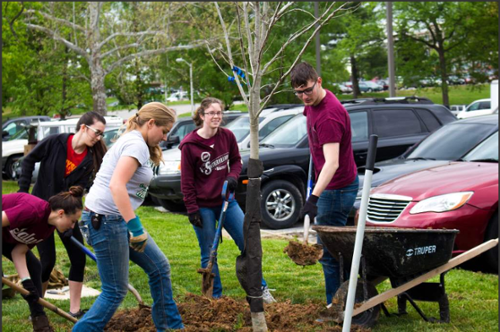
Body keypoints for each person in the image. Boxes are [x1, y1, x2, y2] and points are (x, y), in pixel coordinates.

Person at [72, 102, 184, 331]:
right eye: (163, 131)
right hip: (106, 220)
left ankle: (171, 327)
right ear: (151, 123)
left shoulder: (136, 140)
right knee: (114, 291)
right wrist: (136, 228)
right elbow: (117, 185)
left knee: (159, 268)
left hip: (114, 219)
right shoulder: (135, 144)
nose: (164, 138)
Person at [179, 97, 276, 303]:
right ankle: (215, 298)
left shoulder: (227, 136)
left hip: (226, 202)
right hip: (203, 206)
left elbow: (236, 160)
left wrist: (232, 176)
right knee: (209, 252)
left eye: (219, 113)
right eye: (212, 113)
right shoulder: (189, 145)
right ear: (202, 116)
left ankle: (260, 288)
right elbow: (186, 181)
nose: (216, 116)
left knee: (248, 243)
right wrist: (192, 209)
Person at [18, 112, 108, 318]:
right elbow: (28, 160)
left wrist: (70, 222)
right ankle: (37, 308)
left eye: (101, 134)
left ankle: (75, 309)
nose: (99, 138)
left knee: (78, 258)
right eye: (97, 132)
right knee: (47, 261)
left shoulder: (88, 159)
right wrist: (23, 192)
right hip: (41, 212)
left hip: (67, 214)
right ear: (83, 127)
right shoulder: (55, 142)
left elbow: (80, 189)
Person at [290, 62, 359, 306]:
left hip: (337, 188)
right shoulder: (312, 104)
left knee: (329, 253)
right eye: (298, 92)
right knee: (334, 249)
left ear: (318, 81)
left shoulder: (329, 114)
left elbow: (332, 163)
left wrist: (314, 198)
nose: (304, 97)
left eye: (307, 90)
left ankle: (338, 305)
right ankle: (347, 296)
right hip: (331, 183)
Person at [2, 186, 84, 332]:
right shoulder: (32, 210)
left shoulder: (47, 228)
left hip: (6, 239)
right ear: (60, 213)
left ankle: (40, 322)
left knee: (35, 267)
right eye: (72, 221)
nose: (72, 226)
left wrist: (27, 284)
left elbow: (18, 253)